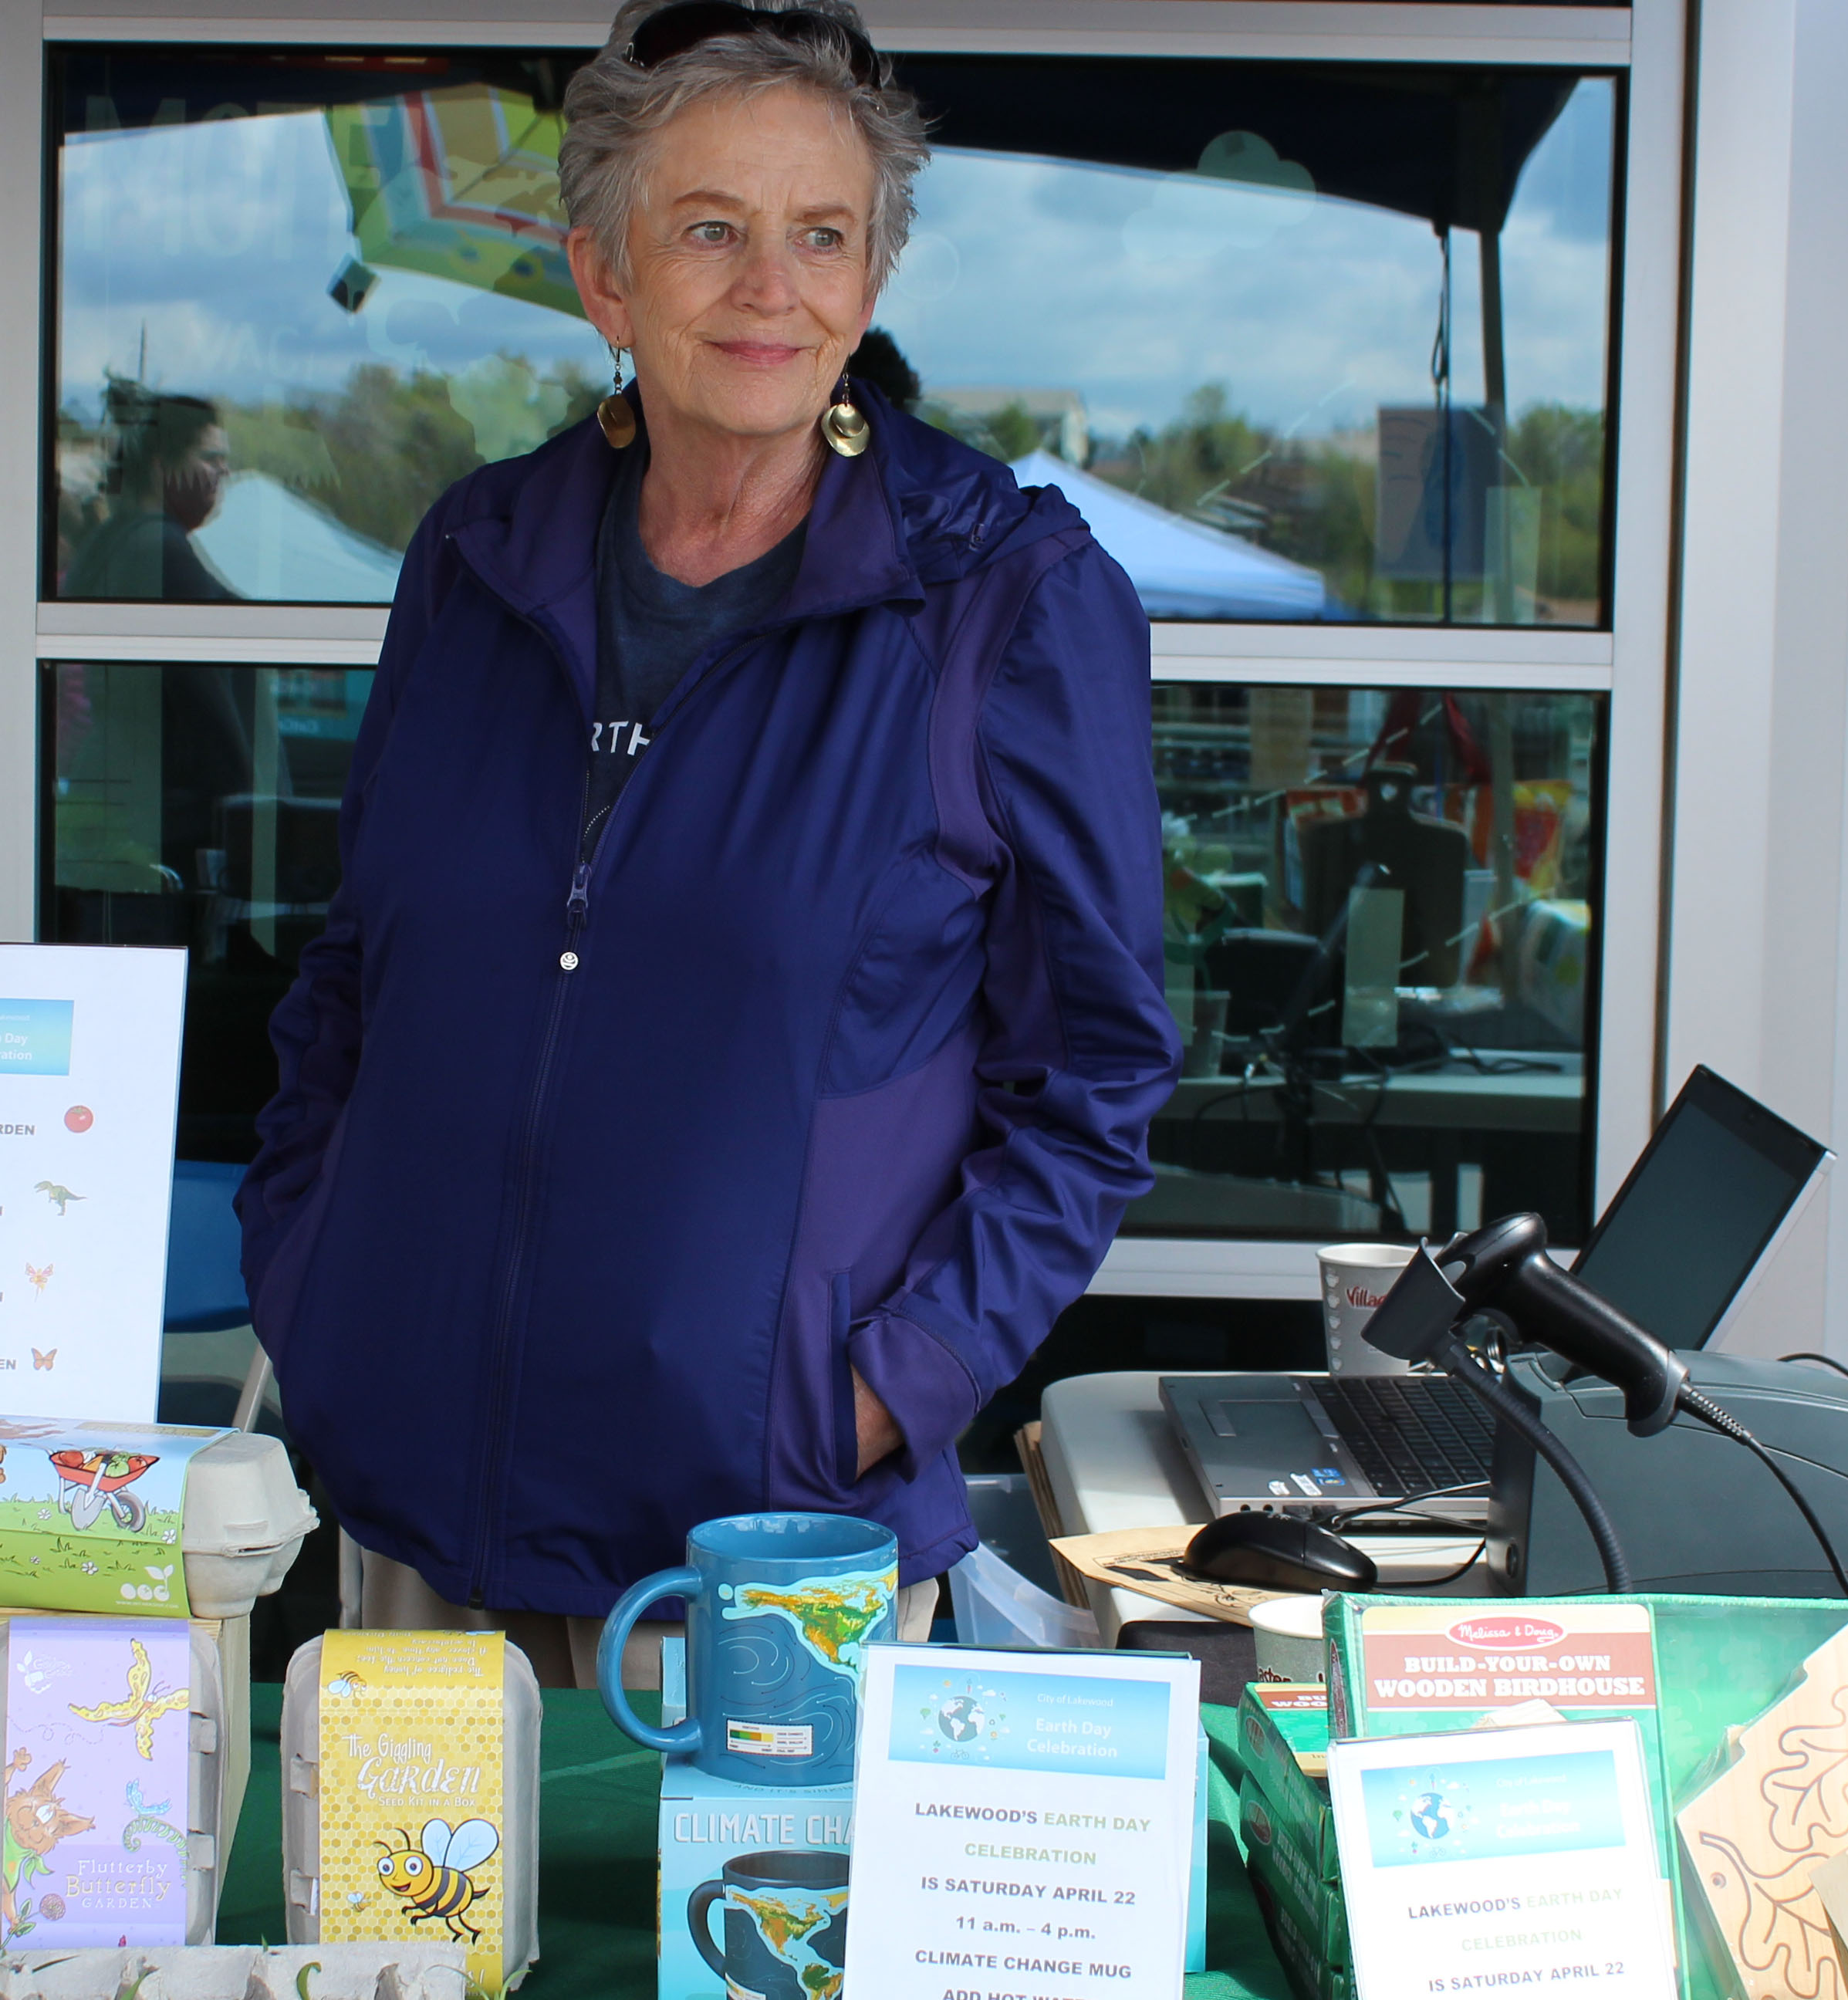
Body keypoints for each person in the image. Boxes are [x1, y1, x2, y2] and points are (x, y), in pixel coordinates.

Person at [237, 0, 1177, 1688]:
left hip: (764, 1547)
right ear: (605, 279)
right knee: (417, 1949)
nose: (773, 288)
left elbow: (1094, 1081)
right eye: (711, 232)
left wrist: (892, 1382)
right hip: (417, 1514)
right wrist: (321, 1286)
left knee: (731, 1955)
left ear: (873, 280)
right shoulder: (474, 557)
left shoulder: (1007, 603)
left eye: (824, 236)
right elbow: (353, 971)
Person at [63, 387, 237, 600]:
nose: (224, 470)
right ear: (161, 467)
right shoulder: (160, 547)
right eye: (210, 459)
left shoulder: (110, 537)